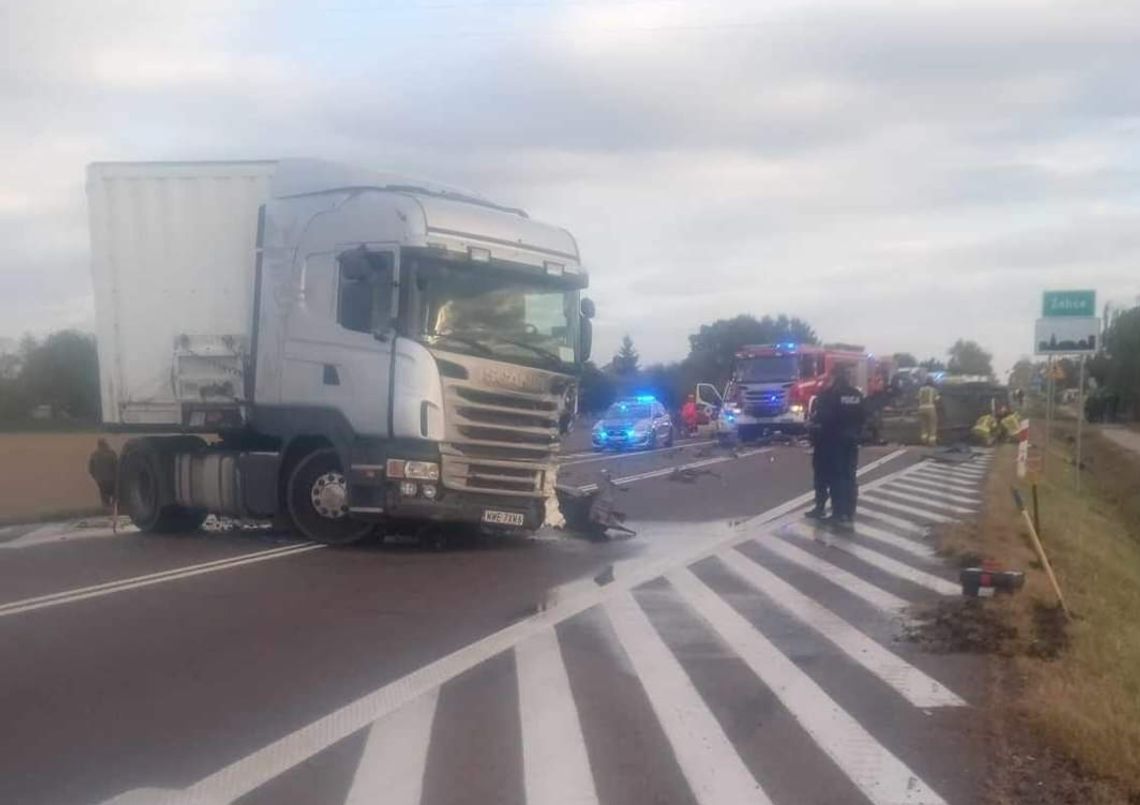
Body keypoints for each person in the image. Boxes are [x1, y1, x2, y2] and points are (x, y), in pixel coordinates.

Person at [813, 366, 865, 529]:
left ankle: (837, 513)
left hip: (833, 442)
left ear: (835, 377)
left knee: (836, 478)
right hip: (852, 441)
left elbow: (824, 418)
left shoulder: (830, 395)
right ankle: (848, 512)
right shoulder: (857, 395)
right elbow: (863, 417)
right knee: (850, 477)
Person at [88, 439, 118, 510]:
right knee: (114, 495)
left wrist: (95, 477)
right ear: (106, 444)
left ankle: (107, 510)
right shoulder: (111, 454)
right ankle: (114, 509)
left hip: (100, 480)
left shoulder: (94, 455)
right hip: (112, 479)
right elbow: (117, 466)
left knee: (104, 496)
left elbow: (91, 469)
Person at [917, 379, 939, 446]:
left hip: (921, 408)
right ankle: (932, 441)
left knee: (924, 425)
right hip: (930, 408)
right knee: (932, 425)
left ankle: (924, 440)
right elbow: (937, 399)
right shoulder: (933, 390)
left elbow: (917, 398)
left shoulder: (921, 389)